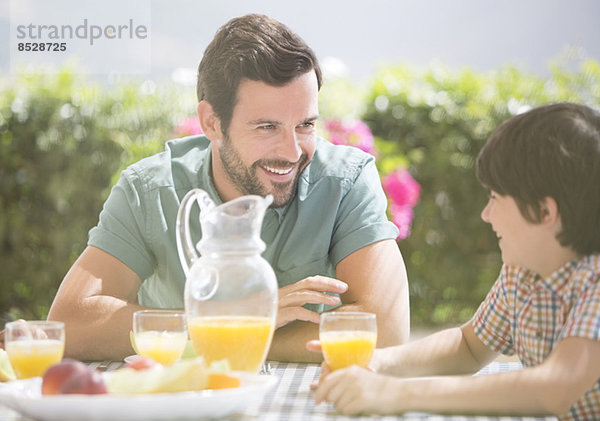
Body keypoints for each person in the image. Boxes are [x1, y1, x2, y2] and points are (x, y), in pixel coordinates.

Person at [40, 14, 409, 361]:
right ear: (212, 122)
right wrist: (231, 317)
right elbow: (72, 322)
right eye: (267, 127)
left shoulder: (346, 181)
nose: (293, 152)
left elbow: (387, 328)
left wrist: (245, 333)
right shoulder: (149, 190)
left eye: (305, 125)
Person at [311, 102, 600, 420]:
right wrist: (379, 363)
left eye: (495, 199)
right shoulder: (523, 273)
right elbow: (469, 346)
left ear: (545, 212)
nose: (486, 215)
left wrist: (392, 393)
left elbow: (555, 388)